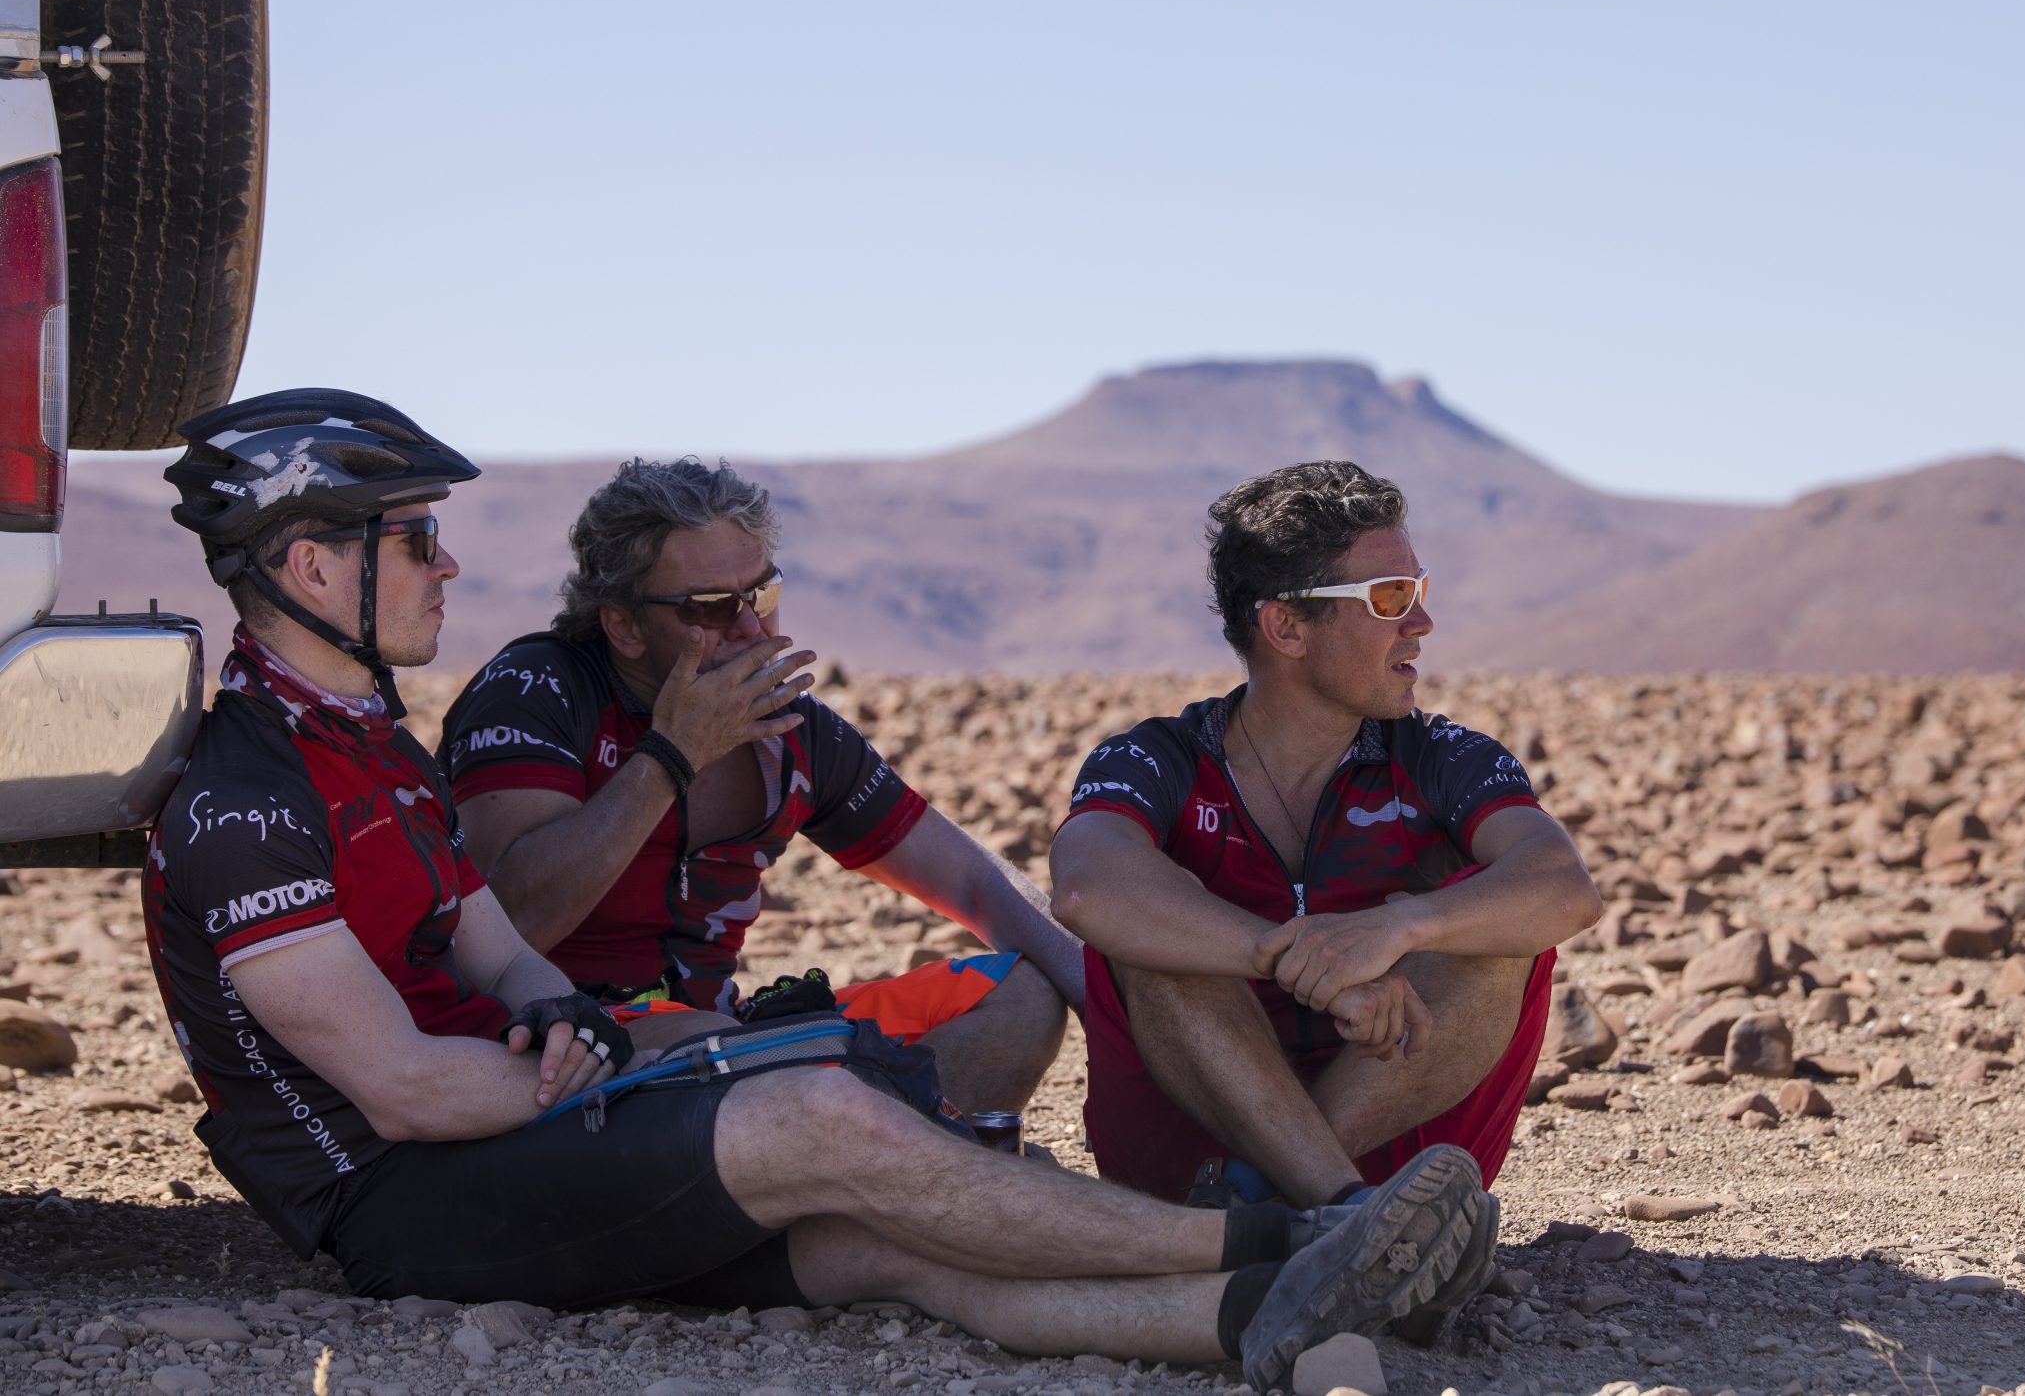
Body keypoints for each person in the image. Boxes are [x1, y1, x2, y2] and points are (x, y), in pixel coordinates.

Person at [142, 390, 1497, 1380]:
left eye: (760, 594)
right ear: (314, 566)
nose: (448, 566)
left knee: (875, 1243)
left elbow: (503, 955)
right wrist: (649, 1051)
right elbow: (408, 1087)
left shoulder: (364, 746)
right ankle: (1291, 1238)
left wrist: (614, 1029)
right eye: (414, 538)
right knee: (817, 1121)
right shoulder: (251, 792)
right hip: (397, 1189)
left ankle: (1278, 1314)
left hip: (536, 1101)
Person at [1049, 461, 1603, 1275]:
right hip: (1199, 1178)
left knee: (1492, 931)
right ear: (1286, 627)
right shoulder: (1157, 758)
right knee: (1159, 936)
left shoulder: (1441, 756)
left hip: (1369, 1180)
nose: (1422, 623)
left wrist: (1396, 928)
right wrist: (1303, 958)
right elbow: (1088, 884)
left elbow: (1562, 885)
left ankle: (1288, 1208)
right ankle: (1345, 1219)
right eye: (1389, 599)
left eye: (1420, 590)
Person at [435, 458, 1077, 1112]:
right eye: (710, 608)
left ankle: (893, 1178)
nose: (751, 629)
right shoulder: (538, 691)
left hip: (731, 1040)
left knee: (1021, 998)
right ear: (623, 625)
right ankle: (892, 1174)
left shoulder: (789, 729)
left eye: (762, 594)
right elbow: (507, 926)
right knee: (723, 1047)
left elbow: (974, 881)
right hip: (569, 1044)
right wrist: (670, 757)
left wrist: (1106, 997)